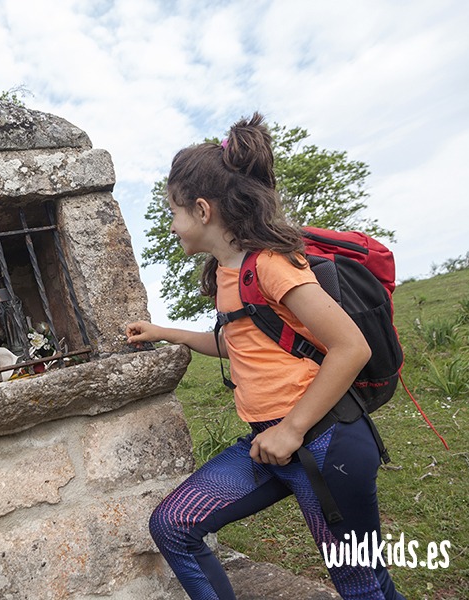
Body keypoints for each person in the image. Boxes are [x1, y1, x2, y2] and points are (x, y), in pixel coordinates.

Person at [126, 113, 404, 600]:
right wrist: (163, 332)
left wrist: (292, 428)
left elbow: (351, 346)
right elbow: (238, 347)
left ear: (203, 210)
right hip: (269, 445)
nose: (171, 227)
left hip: (324, 443)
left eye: (174, 212)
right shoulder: (224, 274)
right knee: (173, 526)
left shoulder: (272, 264)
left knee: (363, 585)